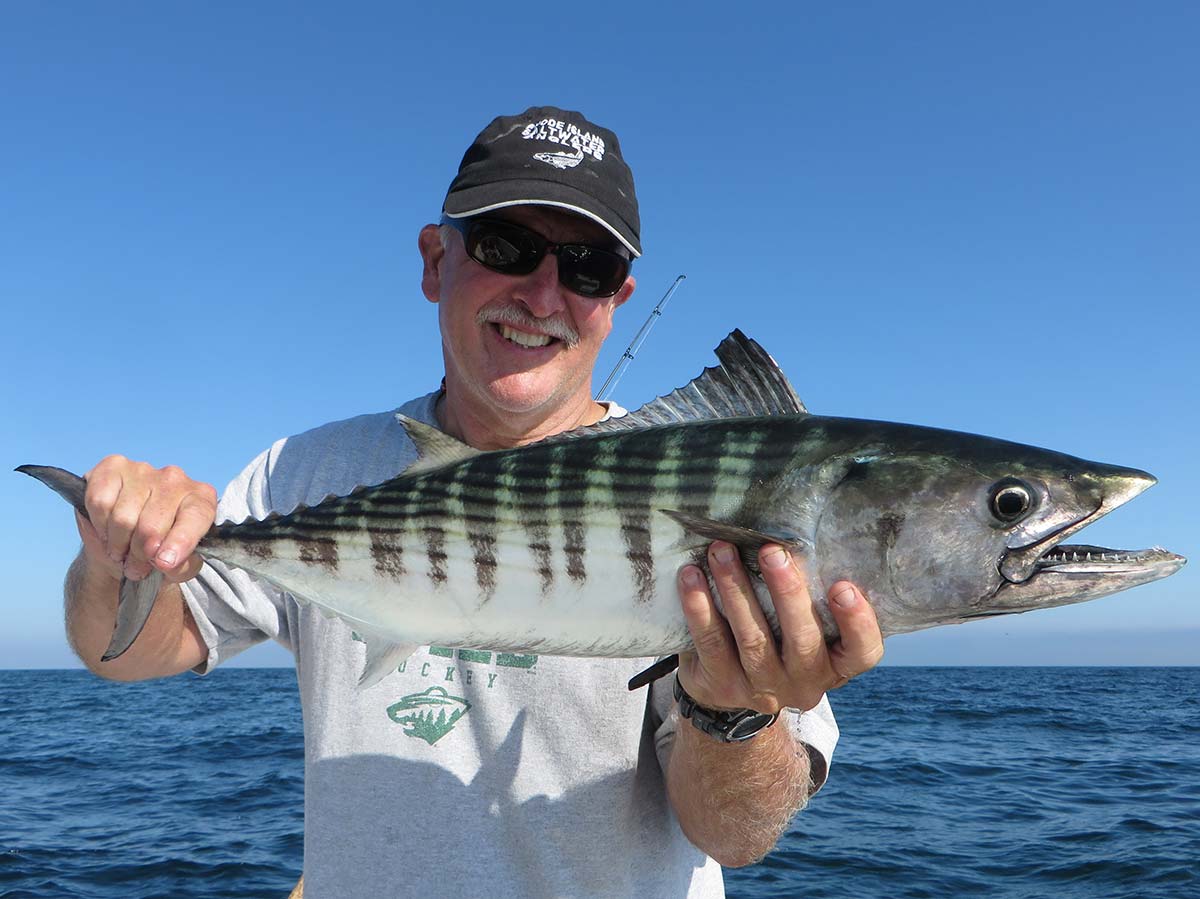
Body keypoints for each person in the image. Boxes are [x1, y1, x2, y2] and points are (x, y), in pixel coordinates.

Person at [62, 106, 885, 898]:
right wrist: (113, 561)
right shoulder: (307, 472)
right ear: (433, 260)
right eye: (506, 244)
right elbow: (123, 650)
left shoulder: (728, 489)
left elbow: (732, 838)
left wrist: (734, 708)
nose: (542, 293)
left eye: (585, 266)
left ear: (618, 300)